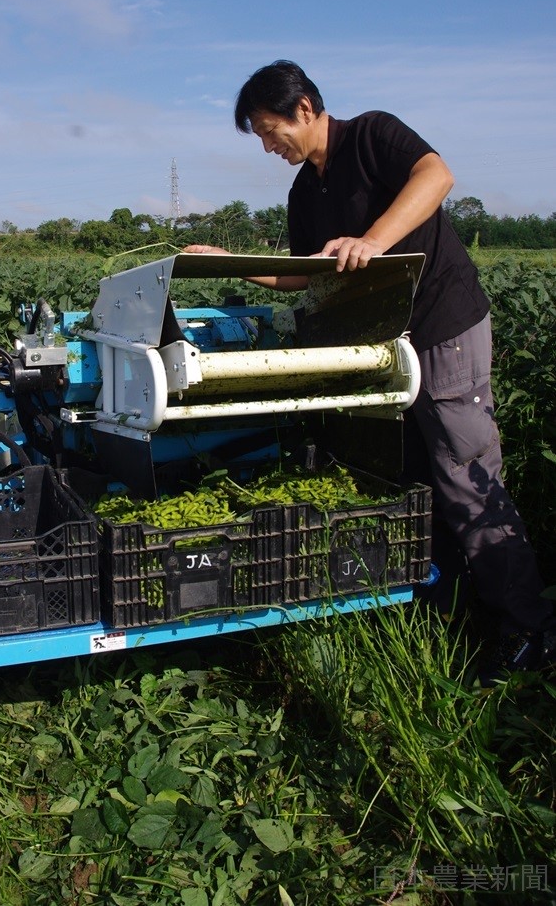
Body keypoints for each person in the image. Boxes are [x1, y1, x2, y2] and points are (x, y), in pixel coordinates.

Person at [186, 59, 554, 681]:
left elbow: (437, 175)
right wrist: (230, 262)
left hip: (442, 327)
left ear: (305, 108)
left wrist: (376, 239)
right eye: (260, 137)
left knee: (466, 478)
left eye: (271, 130)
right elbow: (305, 274)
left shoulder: (372, 135)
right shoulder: (306, 190)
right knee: (404, 468)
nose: (270, 146)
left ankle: (531, 631)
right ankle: (451, 602)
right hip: (385, 344)